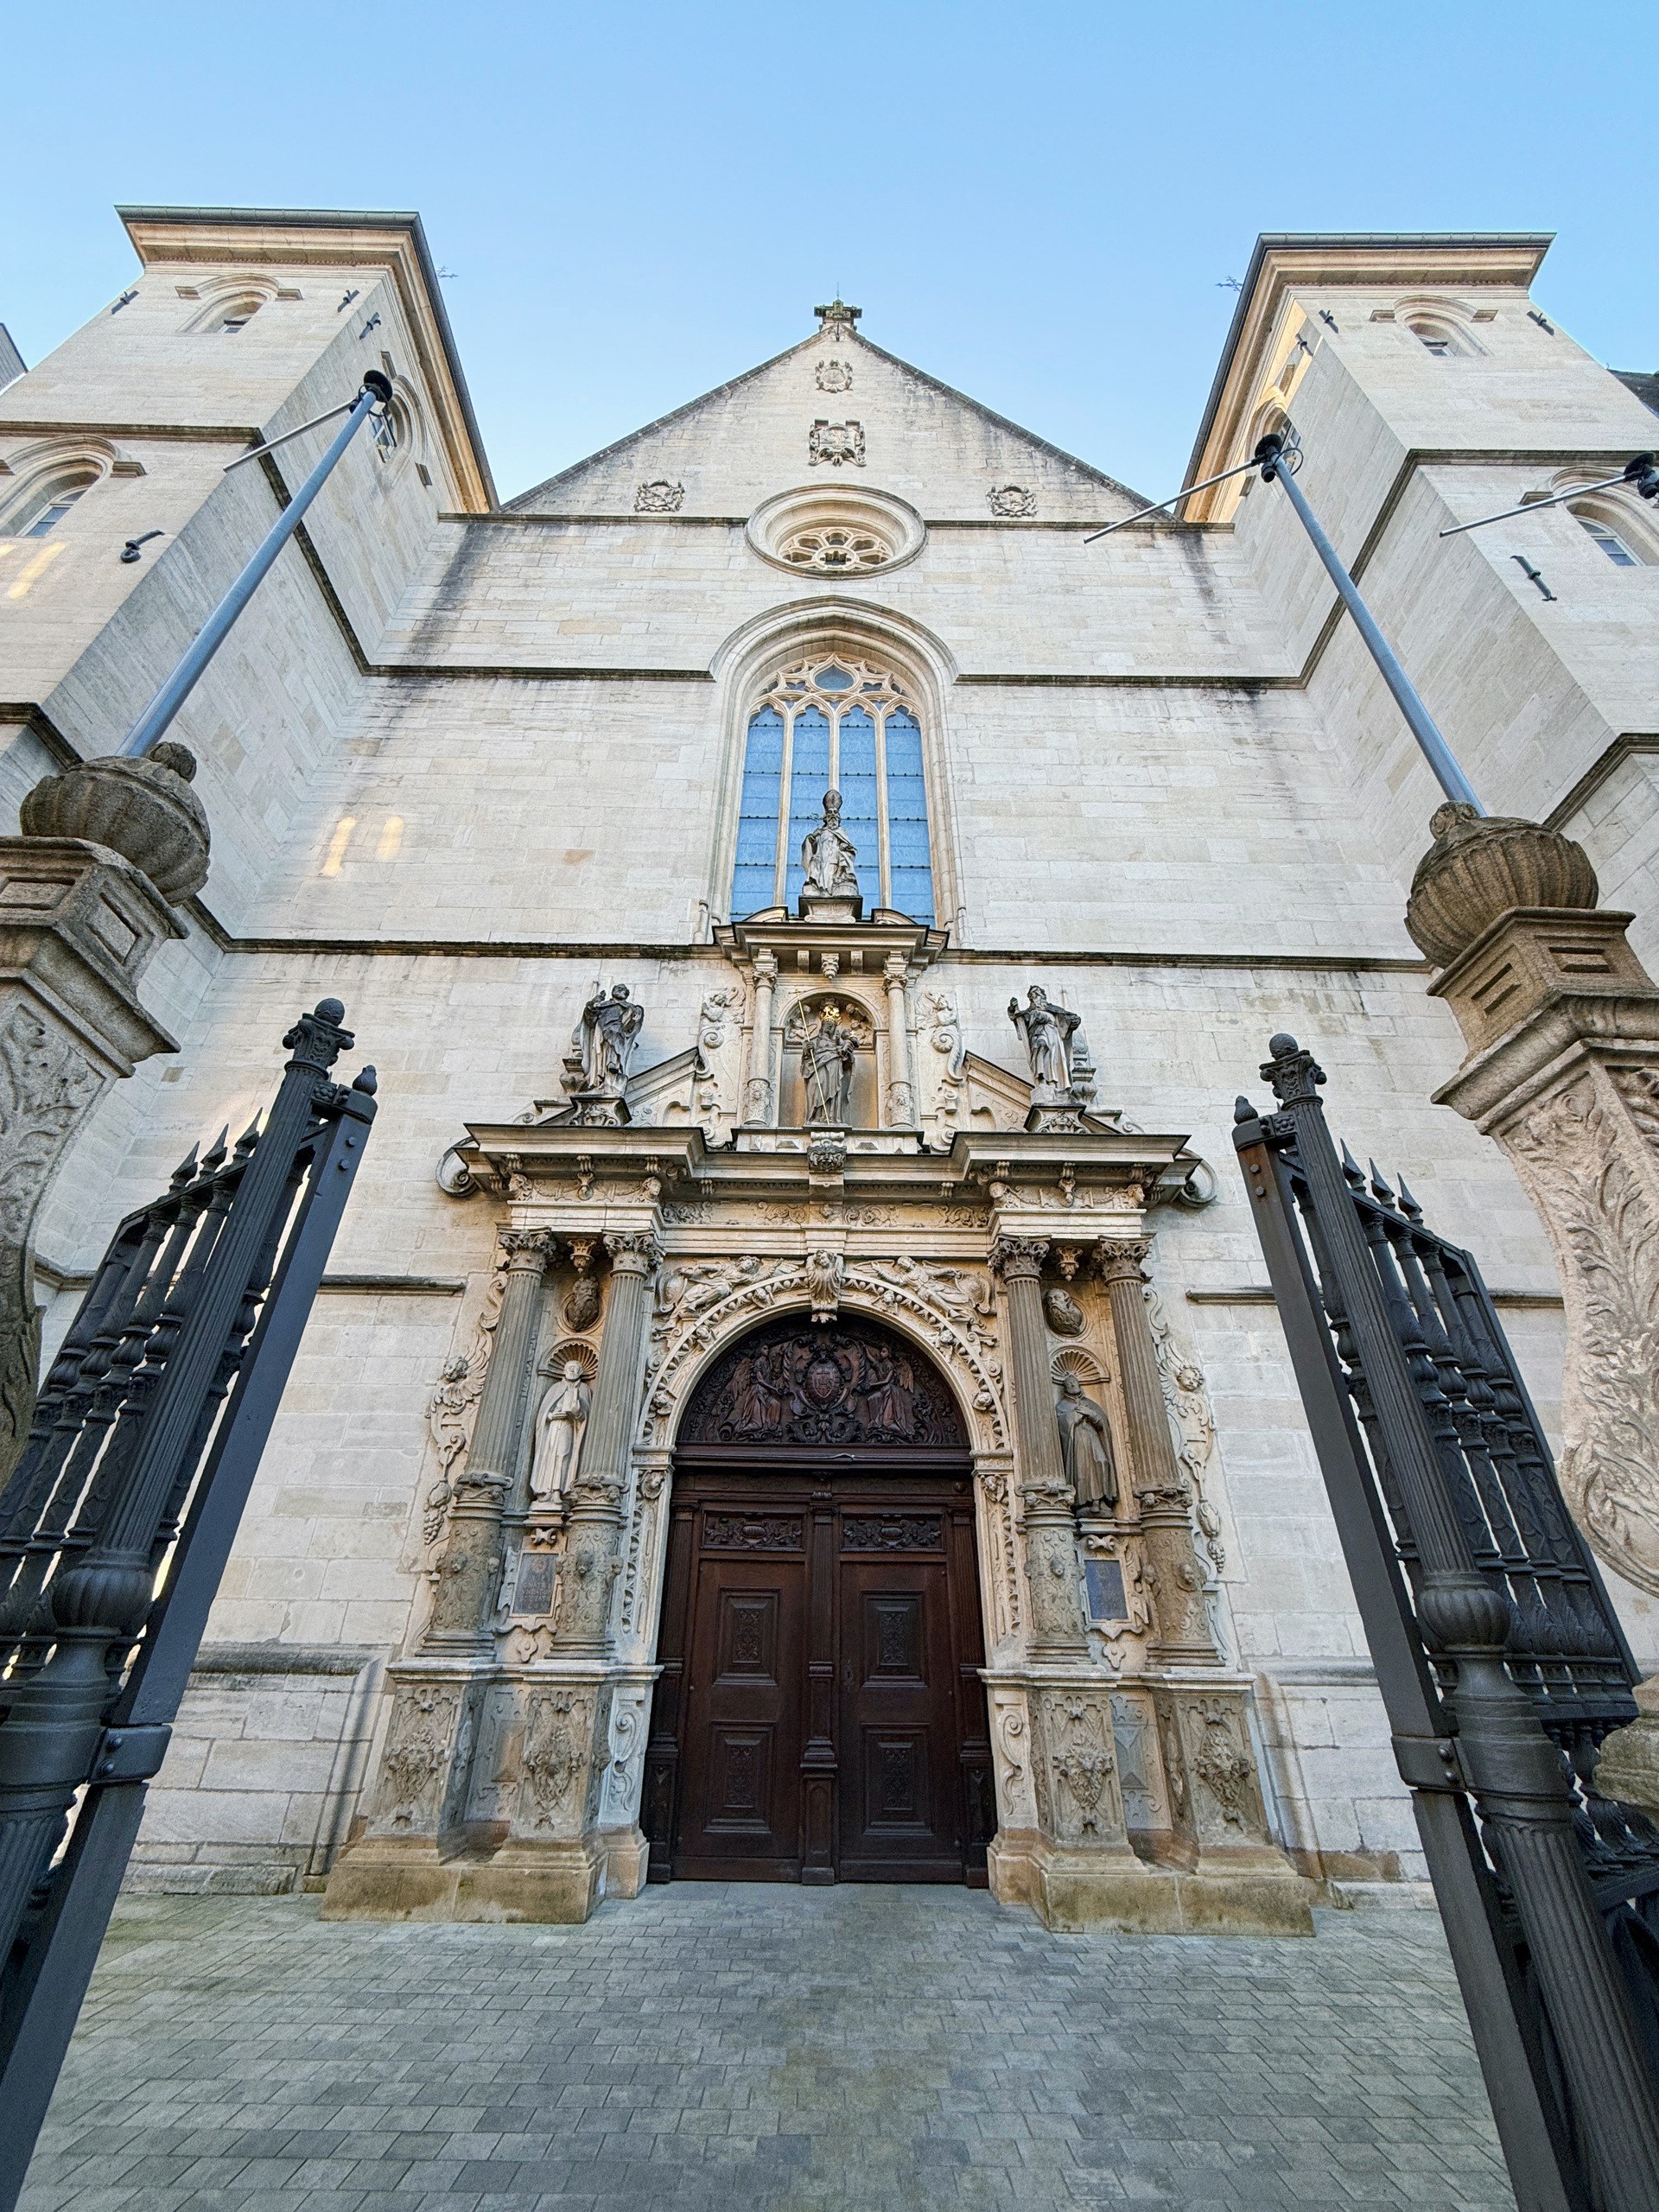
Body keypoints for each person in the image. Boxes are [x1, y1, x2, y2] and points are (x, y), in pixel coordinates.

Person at [1056, 1374, 1117, 1509]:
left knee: (1102, 1462)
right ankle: (1085, 1502)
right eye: (1069, 1383)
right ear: (1065, 1388)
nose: (1073, 1385)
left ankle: (1101, 1499)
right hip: (1077, 1442)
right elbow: (1062, 1425)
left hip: (1093, 1438)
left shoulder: (1089, 1404)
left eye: (1075, 1382)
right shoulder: (1062, 1406)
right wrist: (1074, 1417)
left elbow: (1102, 1426)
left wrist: (1091, 1414)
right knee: (1082, 1471)